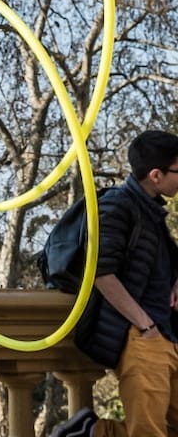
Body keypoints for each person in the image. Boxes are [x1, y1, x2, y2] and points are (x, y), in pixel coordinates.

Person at [50, 131, 178, 437]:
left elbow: (159, 263)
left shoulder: (151, 210)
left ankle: (92, 432)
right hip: (142, 336)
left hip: (166, 333)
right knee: (149, 431)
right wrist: (145, 326)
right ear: (156, 175)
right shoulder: (118, 206)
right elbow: (101, 274)